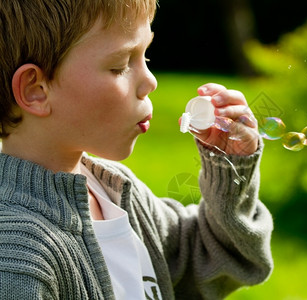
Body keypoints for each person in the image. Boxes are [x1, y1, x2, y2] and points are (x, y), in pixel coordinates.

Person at [0, 0, 273, 299]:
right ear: (35, 90)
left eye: (146, 57)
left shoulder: (116, 192)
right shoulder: (16, 258)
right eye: (120, 66)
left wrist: (228, 167)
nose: (150, 82)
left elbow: (212, 259)